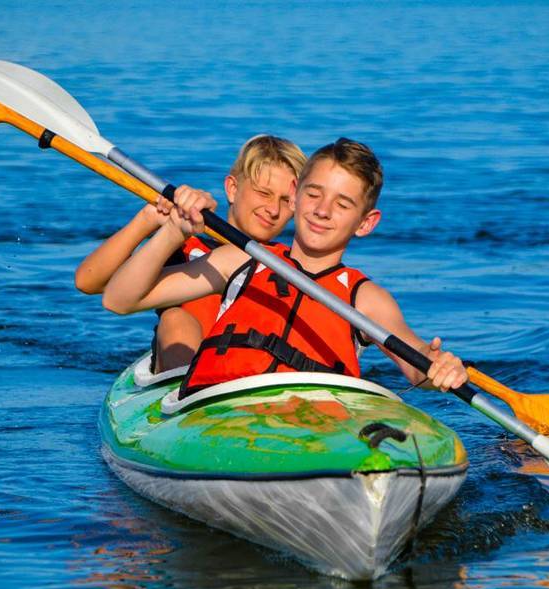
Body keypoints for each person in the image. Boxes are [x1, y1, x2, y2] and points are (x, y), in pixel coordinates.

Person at [103, 138, 468, 394]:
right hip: (220, 416)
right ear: (295, 197)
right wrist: (173, 232)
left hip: (314, 428)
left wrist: (437, 366)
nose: (322, 210)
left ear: (366, 223)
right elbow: (119, 300)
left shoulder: (366, 299)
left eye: (342, 204)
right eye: (314, 194)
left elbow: (416, 366)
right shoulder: (241, 260)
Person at [75, 134, 306, 372]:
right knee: (176, 319)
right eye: (264, 193)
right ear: (232, 189)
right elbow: (89, 282)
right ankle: (188, 386)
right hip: (181, 377)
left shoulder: (289, 265)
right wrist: (148, 219)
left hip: (248, 372)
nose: (273, 209)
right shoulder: (186, 245)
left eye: (286, 200)